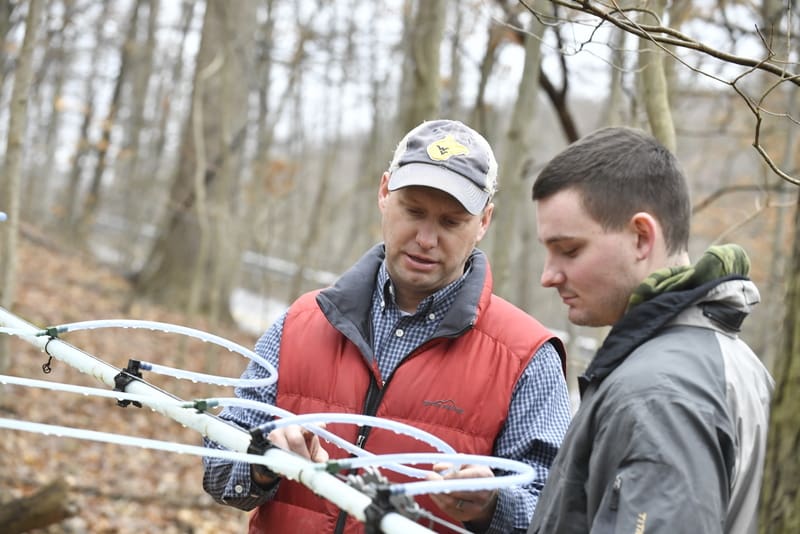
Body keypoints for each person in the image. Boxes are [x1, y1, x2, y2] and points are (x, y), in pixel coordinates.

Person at [203, 119, 572, 533]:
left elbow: (556, 515)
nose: (426, 238)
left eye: (451, 222)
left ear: (484, 221)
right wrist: (263, 464)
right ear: (384, 193)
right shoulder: (303, 322)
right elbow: (218, 471)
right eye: (413, 211)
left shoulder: (525, 358)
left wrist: (492, 506)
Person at [526, 126, 775, 534]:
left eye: (569, 250)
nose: (548, 276)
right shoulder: (717, 351)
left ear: (642, 237)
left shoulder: (660, 393)